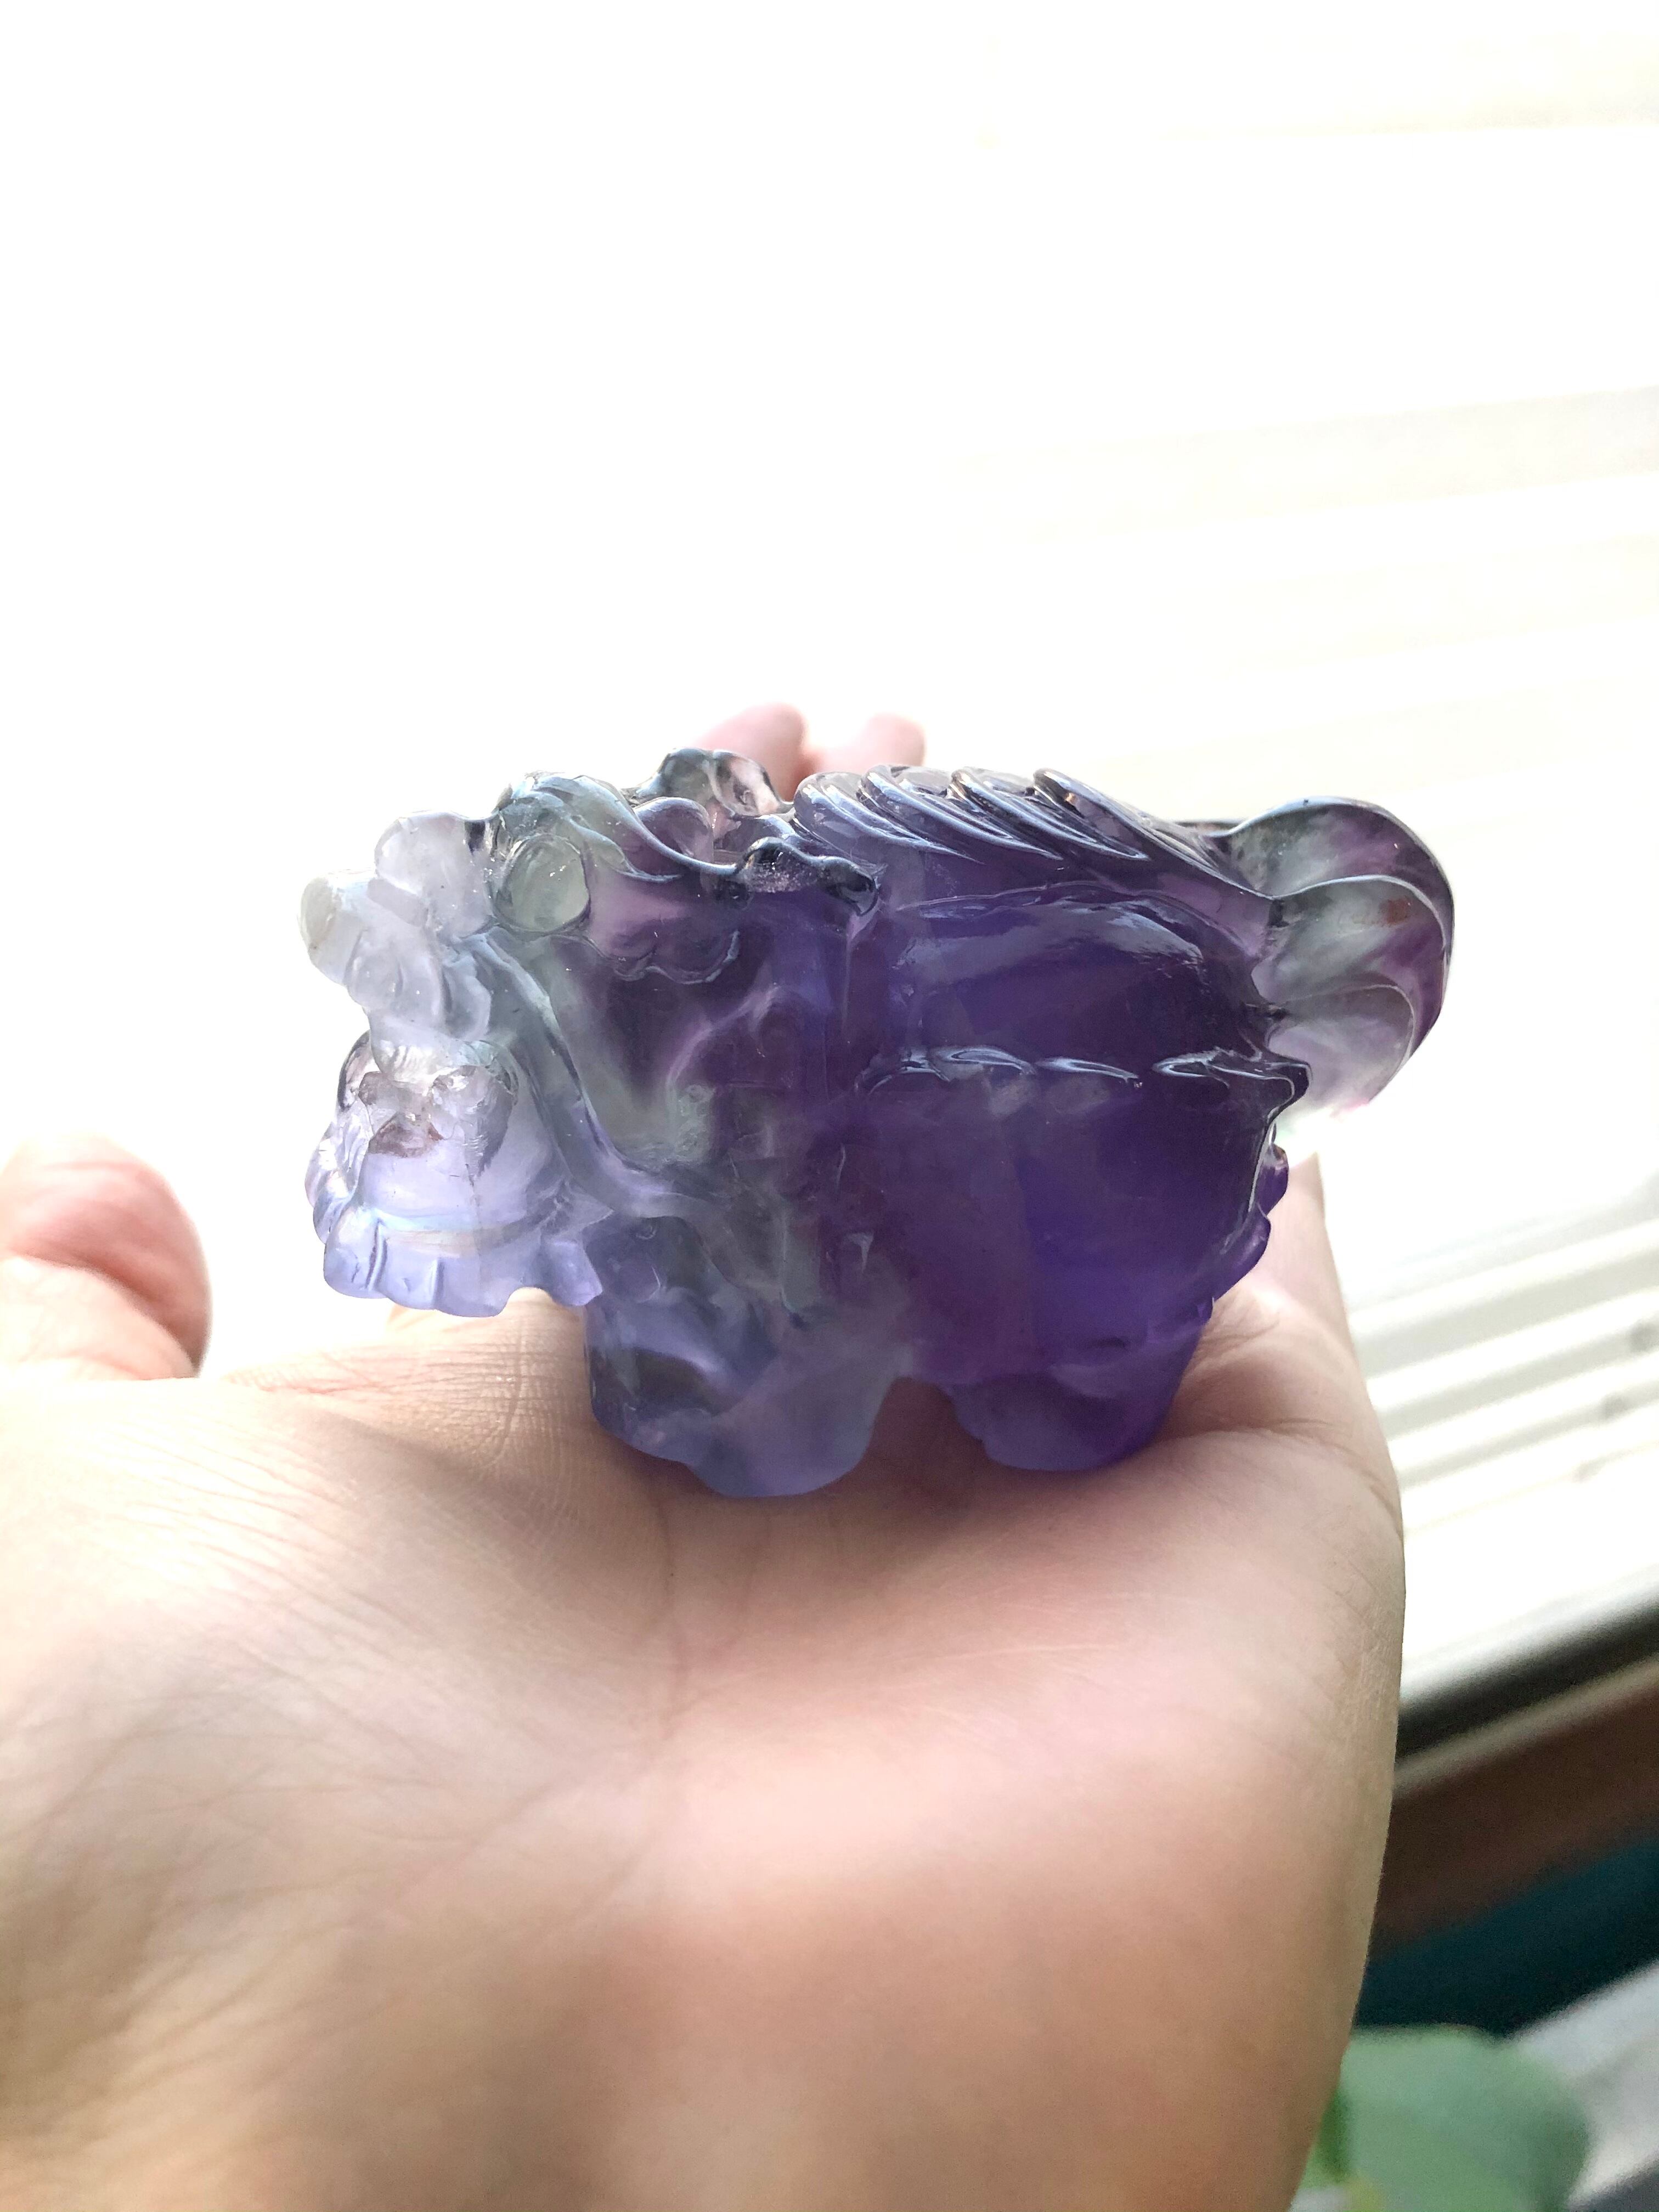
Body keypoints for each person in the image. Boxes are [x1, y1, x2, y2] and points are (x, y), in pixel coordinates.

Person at [0, 709, 1403, 2212]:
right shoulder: (681, 1159)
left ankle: (1066, 1352)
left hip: (1082, 1162)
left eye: (421, 1115)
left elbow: (772, 1396)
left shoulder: (755, 1166)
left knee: (928, 1359)